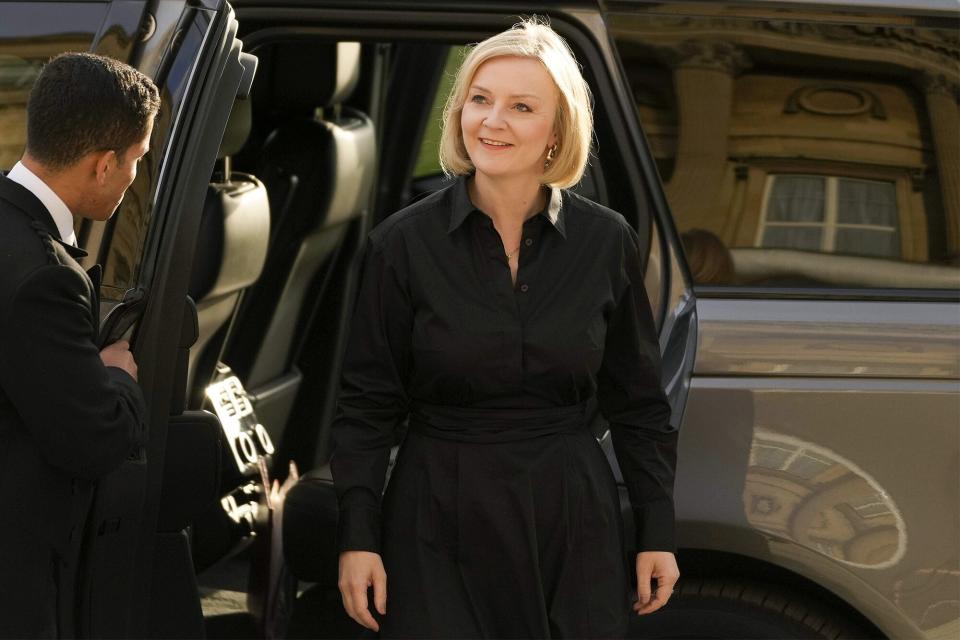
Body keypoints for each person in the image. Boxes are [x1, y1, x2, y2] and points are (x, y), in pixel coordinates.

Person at [332, 19, 679, 638]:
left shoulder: (606, 242)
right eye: (480, 99)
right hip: (436, 512)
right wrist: (358, 539)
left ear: (558, 129)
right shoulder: (401, 245)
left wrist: (656, 529)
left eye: (522, 106)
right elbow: (365, 407)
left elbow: (639, 402)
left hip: (571, 515)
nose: (492, 121)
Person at [0, 52, 158, 637]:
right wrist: (116, 374)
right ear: (103, 164)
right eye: (137, 161)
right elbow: (93, 441)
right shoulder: (47, 277)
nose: (134, 179)